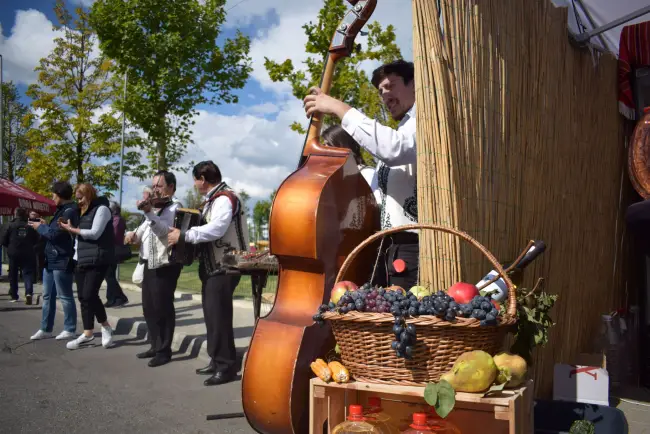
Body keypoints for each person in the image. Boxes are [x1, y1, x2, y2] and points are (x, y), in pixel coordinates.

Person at [304, 59, 418, 289]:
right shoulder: (405, 128)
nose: (385, 94)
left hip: (413, 248)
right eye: (381, 91)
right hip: (390, 249)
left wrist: (338, 108)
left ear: (415, 84)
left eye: (391, 85)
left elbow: (392, 149)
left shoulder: (425, 122)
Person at [168, 161, 249, 386]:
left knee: (219, 316)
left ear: (202, 178)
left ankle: (226, 366)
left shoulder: (225, 198)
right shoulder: (214, 199)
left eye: (195, 179)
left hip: (227, 265)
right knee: (212, 316)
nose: (195, 184)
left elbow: (217, 229)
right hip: (214, 266)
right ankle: (216, 360)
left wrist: (185, 236)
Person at [125, 171, 183, 367]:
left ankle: (164, 351)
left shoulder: (176, 208)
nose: (154, 189)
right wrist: (132, 234)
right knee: (149, 307)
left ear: (171, 187)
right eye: (153, 185)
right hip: (148, 262)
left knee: (162, 307)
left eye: (159, 185)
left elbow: (163, 233)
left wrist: (149, 212)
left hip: (165, 263)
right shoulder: (155, 209)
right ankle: (154, 344)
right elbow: (142, 232)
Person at [59, 183, 115, 350]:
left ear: (89, 195)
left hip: (98, 259)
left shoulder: (102, 210)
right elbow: (80, 237)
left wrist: (73, 229)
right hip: (81, 258)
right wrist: (67, 229)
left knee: (89, 294)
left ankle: (105, 326)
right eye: (77, 198)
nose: (79, 201)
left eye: (81, 197)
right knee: (84, 297)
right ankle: (88, 333)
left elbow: (95, 233)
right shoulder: (81, 212)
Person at [28, 181, 79, 341]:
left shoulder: (69, 211)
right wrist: (45, 225)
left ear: (60, 195)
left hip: (62, 259)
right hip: (51, 259)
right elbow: (55, 231)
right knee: (47, 296)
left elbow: (56, 235)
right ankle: (46, 328)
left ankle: (70, 329)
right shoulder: (61, 210)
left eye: (53, 195)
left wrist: (40, 228)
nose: (52, 197)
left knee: (65, 296)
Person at [321, 124, 376, 191]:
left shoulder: (367, 174)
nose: (322, 149)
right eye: (323, 145)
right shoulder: (336, 180)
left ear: (341, 146)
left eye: (327, 144)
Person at [2, 208, 38, 304]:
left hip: (14, 252)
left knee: (13, 274)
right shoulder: (30, 225)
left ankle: (14, 295)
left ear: (15, 214)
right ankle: (29, 292)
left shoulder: (10, 225)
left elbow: (4, 240)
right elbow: (36, 239)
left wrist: (10, 247)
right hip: (28, 252)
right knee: (27, 273)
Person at [104, 201, 129, 307]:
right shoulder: (114, 219)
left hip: (114, 250)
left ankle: (121, 297)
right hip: (110, 249)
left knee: (109, 275)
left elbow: (112, 235)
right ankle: (112, 299)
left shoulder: (117, 220)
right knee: (109, 275)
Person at [30, 211, 46, 283]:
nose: (34, 216)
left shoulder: (41, 222)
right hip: (31, 246)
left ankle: (40, 278)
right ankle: (33, 278)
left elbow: (43, 234)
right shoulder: (28, 223)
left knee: (40, 263)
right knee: (32, 263)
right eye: (32, 214)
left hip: (40, 245)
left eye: (35, 214)